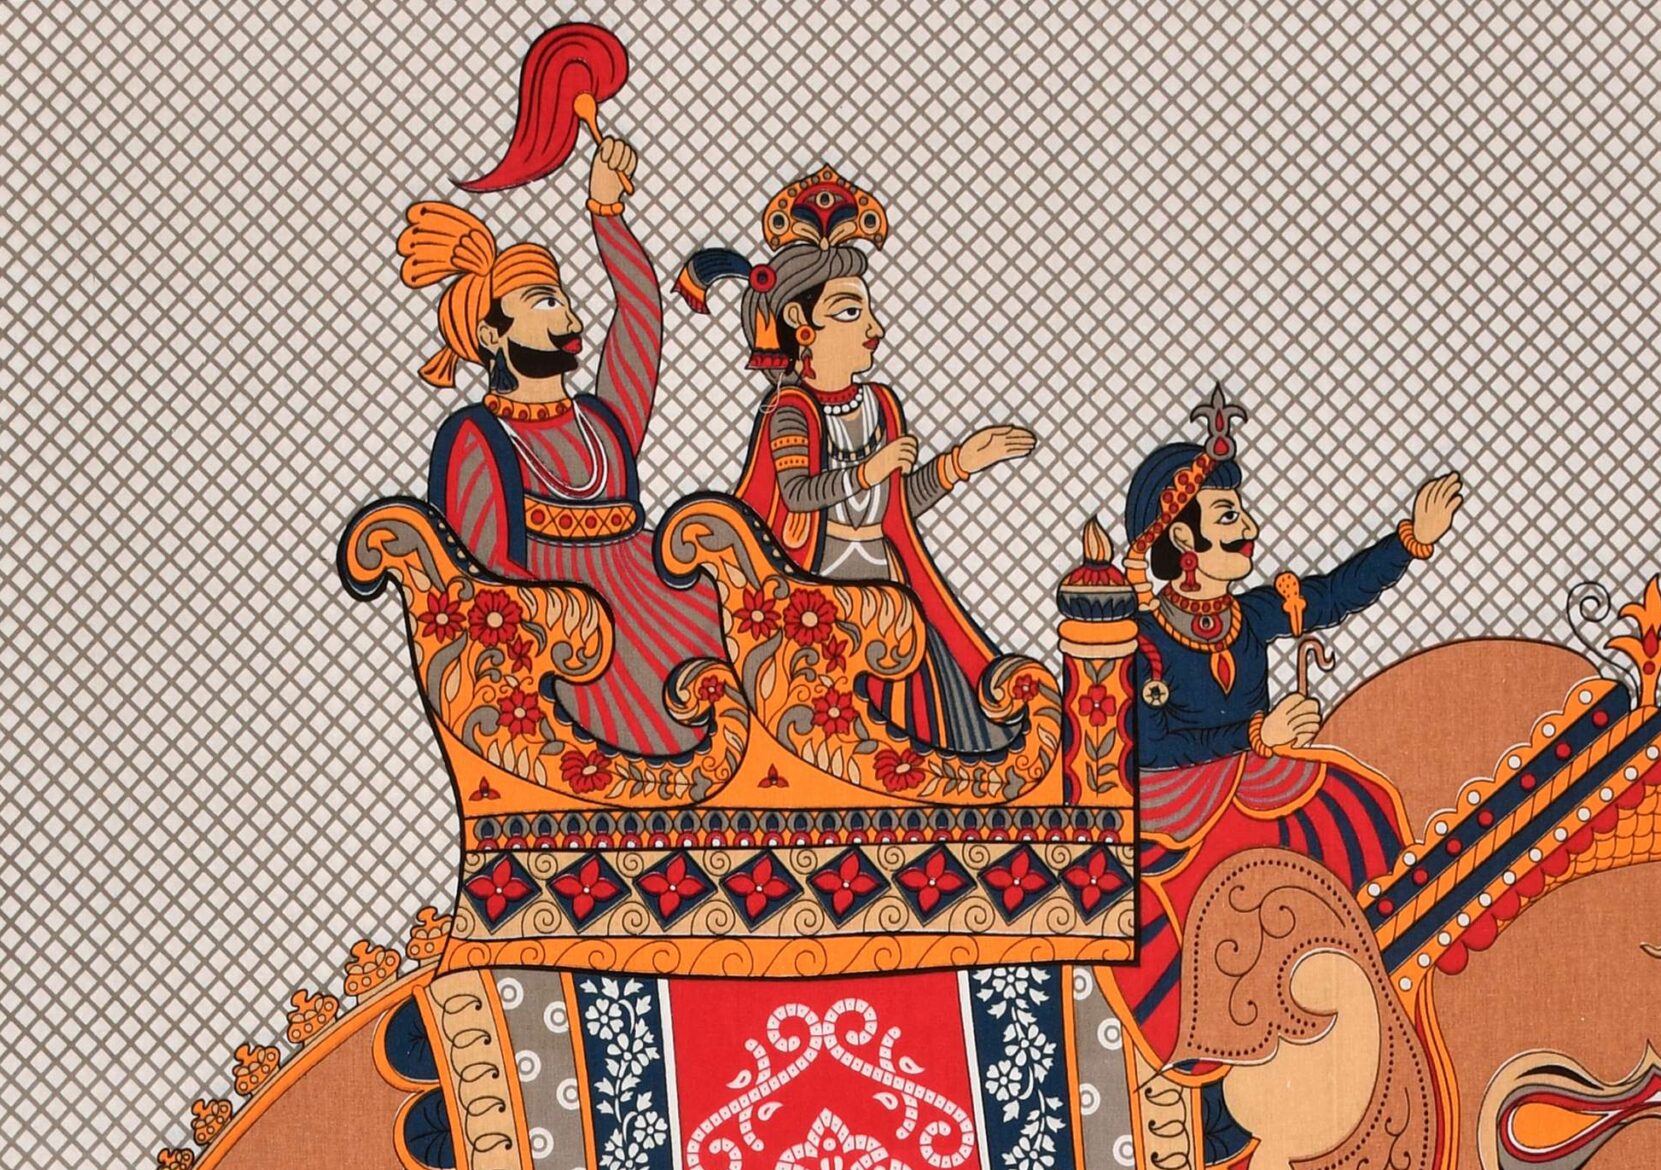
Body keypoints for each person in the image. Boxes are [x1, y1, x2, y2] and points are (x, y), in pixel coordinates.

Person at [1109, 388, 1462, 1047]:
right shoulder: (1147, 639)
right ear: (1183, 536)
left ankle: (1376, 968)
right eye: (1228, 513)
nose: (1249, 526)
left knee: (1356, 802)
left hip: (1254, 777)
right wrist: (1255, 734)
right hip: (1177, 802)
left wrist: (1410, 540)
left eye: (1240, 510)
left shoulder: (1247, 614)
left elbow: (1331, 595)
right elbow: (1152, 746)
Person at [678, 169, 1036, 753]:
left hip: (890, 582)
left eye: (867, 312)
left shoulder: (881, 405)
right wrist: (870, 469)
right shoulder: (790, 410)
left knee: (943, 727)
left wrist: (961, 462)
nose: (875, 328)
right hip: (817, 593)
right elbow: (796, 494)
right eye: (850, 312)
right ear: (801, 326)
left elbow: (895, 507)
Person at [397, 132, 722, 758]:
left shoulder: (603, 421)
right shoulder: (476, 438)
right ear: (492, 334)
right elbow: (483, 575)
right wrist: (567, 618)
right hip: (567, 630)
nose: (571, 318)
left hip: (658, 593)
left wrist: (606, 213)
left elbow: (640, 312)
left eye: (565, 301)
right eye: (544, 302)